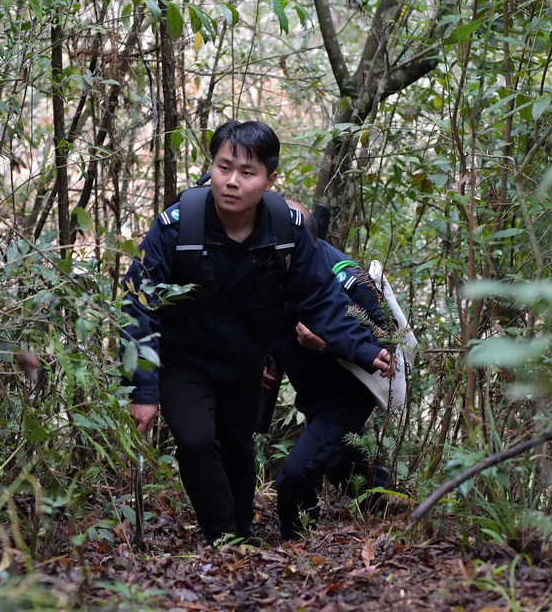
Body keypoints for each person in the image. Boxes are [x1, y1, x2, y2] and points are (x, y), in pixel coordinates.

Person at [118, 120, 392, 545]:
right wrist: (143, 390)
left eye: (247, 172)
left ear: (269, 179)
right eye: (223, 167)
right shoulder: (176, 226)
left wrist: (359, 347)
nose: (231, 182)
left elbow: (318, 296)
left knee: (238, 449)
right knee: (194, 440)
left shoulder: (286, 230)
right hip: (184, 358)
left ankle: (240, 535)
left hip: (244, 362)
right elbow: (139, 304)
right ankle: (222, 537)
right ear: (211, 167)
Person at [265, 200, 391, 542]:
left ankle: (294, 543)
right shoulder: (276, 268)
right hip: (313, 396)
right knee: (349, 472)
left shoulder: (347, 278)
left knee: (293, 476)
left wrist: (324, 344)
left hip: (346, 398)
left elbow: (384, 340)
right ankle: (400, 514)